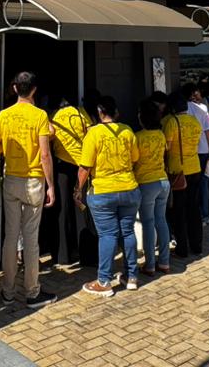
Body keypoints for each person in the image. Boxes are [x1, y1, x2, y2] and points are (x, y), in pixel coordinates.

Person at [0, 71, 57, 307]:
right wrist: (51, 185)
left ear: (15, 88)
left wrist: (7, 149)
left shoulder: (4, 115)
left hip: (11, 179)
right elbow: (45, 154)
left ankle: (7, 292)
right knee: (31, 238)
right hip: (34, 180)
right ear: (34, 90)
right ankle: (32, 292)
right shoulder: (40, 115)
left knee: (10, 236)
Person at [76, 96, 141, 296]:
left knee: (108, 235)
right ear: (116, 112)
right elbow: (135, 157)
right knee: (127, 232)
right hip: (129, 188)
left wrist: (78, 189)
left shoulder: (93, 133)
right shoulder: (127, 131)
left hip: (103, 191)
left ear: (99, 112)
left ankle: (104, 281)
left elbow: (85, 167)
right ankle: (132, 276)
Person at [40, 93, 90, 267]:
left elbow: (48, 137)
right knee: (81, 208)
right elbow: (89, 134)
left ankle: (63, 255)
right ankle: (85, 253)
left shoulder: (52, 116)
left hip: (61, 166)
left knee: (62, 210)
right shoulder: (80, 112)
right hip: (82, 165)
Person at [163, 91, 204, 258]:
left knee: (178, 211)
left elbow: (167, 147)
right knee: (194, 208)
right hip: (195, 166)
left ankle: (182, 248)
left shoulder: (172, 122)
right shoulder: (194, 121)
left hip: (178, 170)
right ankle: (197, 245)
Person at [133, 99, 171, 277]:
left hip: (146, 183)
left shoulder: (138, 137)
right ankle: (164, 262)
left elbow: (133, 160)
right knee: (161, 220)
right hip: (163, 181)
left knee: (148, 223)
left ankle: (149, 265)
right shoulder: (161, 135)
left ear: (142, 117)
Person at [186, 85, 209, 224]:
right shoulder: (202, 108)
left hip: (189, 151)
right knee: (204, 182)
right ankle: (205, 215)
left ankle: (193, 215)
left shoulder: (182, 108)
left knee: (191, 185)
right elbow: (208, 130)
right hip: (203, 149)